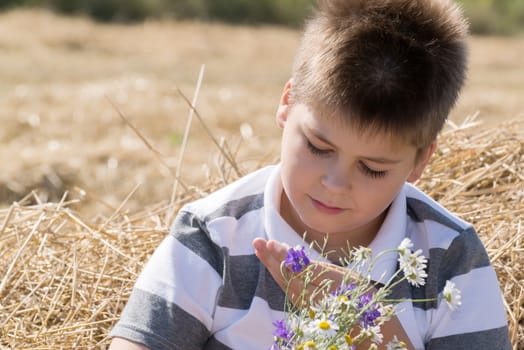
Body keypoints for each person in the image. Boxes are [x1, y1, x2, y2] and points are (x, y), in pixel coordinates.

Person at [108, 0, 511, 349]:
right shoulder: (214, 237)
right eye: (318, 148)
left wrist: (364, 321)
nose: (335, 183)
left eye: (373, 169)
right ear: (287, 103)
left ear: (420, 162)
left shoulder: (450, 259)